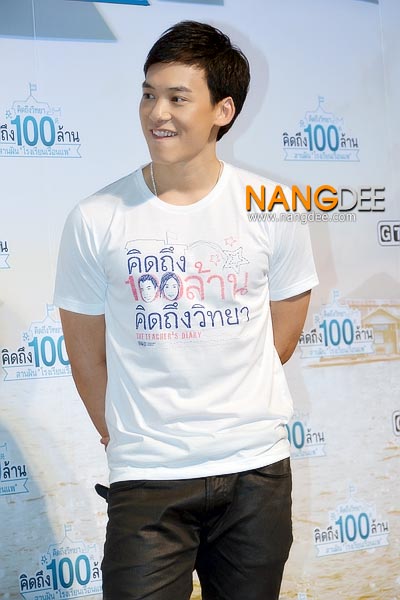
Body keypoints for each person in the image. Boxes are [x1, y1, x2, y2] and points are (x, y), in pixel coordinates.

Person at [54, 20, 318, 600]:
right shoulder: (96, 217)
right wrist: (129, 438)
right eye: (148, 94)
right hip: (147, 478)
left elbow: (285, 325)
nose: (157, 113)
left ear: (223, 109)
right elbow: (85, 356)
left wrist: (230, 394)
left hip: (255, 474)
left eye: (178, 98)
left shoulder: (275, 207)